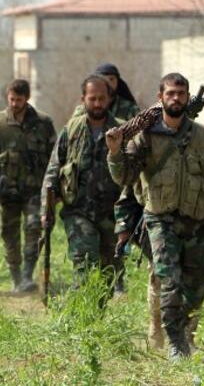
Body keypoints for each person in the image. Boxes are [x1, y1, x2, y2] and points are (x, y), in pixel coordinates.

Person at [107, 73, 204, 360]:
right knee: (168, 277)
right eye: (170, 93)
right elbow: (125, 176)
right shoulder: (145, 138)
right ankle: (176, 342)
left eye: (181, 93)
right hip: (159, 220)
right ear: (161, 97)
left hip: (196, 221)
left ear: (187, 97)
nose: (176, 98)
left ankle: (185, 334)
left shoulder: (203, 138)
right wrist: (116, 151)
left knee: (198, 280)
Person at [42, 74, 123, 288]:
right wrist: (46, 209)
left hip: (111, 213)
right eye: (92, 98)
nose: (97, 103)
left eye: (102, 98)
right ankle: (80, 313)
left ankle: (95, 316)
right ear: (83, 99)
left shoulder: (123, 131)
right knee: (84, 262)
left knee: (109, 271)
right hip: (78, 211)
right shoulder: (71, 130)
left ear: (109, 99)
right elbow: (53, 169)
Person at [0, 79, 56, 292]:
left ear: (27, 98)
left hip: (34, 191)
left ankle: (27, 274)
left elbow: (54, 158)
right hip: (7, 191)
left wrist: (54, 188)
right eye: (12, 99)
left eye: (19, 100)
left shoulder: (43, 123)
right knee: (9, 233)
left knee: (34, 228)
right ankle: (16, 276)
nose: (14, 104)